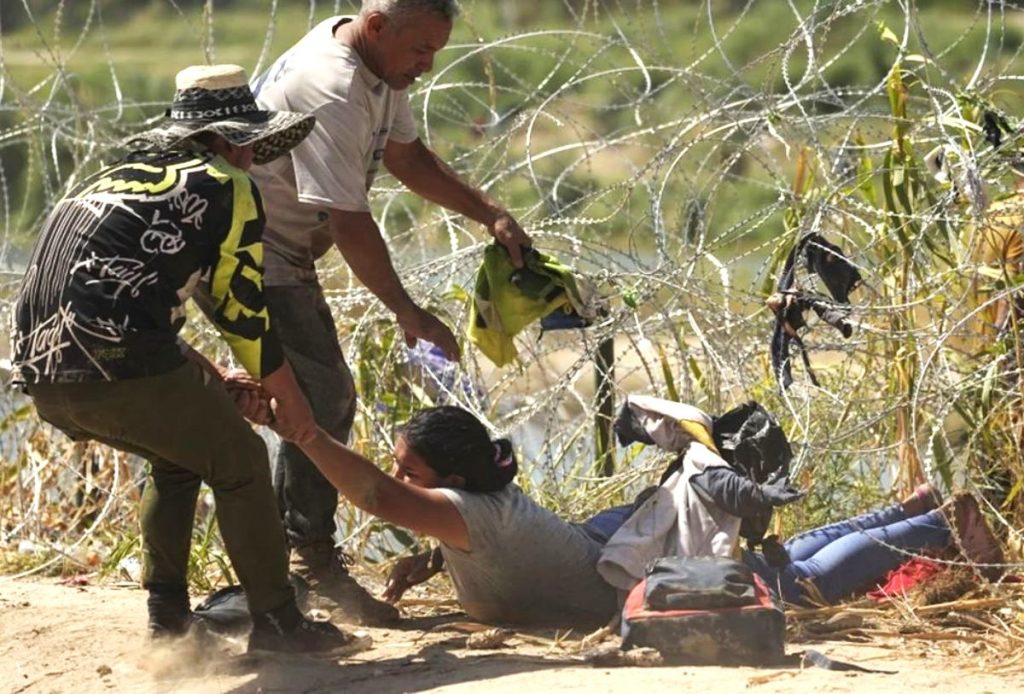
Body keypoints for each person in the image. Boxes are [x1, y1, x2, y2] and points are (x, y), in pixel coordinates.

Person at [10, 64, 354, 653]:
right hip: (122, 369)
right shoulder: (225, 185)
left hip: (43, 378)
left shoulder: (111, 180)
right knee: (242, 461)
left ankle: (168, 621)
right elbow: (241, 307)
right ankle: (277, 622)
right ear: (228, 142)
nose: (252, 162)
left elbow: (116, 303)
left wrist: (213, 376)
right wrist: (292, 404)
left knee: (179, 457)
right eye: (249, 147)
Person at [243, 0, 532, 624]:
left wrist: (488, 212)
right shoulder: (334, 84)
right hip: (255, 249)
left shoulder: (378, 68)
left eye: (435, 51)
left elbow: (406, 158)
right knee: (321, 397)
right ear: (378, 26)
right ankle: (307, 566)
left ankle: (286, 561)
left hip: (284, 250)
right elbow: (348, 221)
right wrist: (410, 312)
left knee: (312, 395)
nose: (427, 65)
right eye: (421, 49)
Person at [265, 405, 1005, 628]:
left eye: (411, 470)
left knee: (788, 586)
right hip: (605, 547)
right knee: (771, 564)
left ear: (451, 479)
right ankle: (909, 511)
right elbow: (406, 503)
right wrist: (429, 560)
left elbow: (376, 497)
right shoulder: (467, 507)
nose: (400, 480)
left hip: (621, 580)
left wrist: (302, 433)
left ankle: (941, 529)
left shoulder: (466, 509)